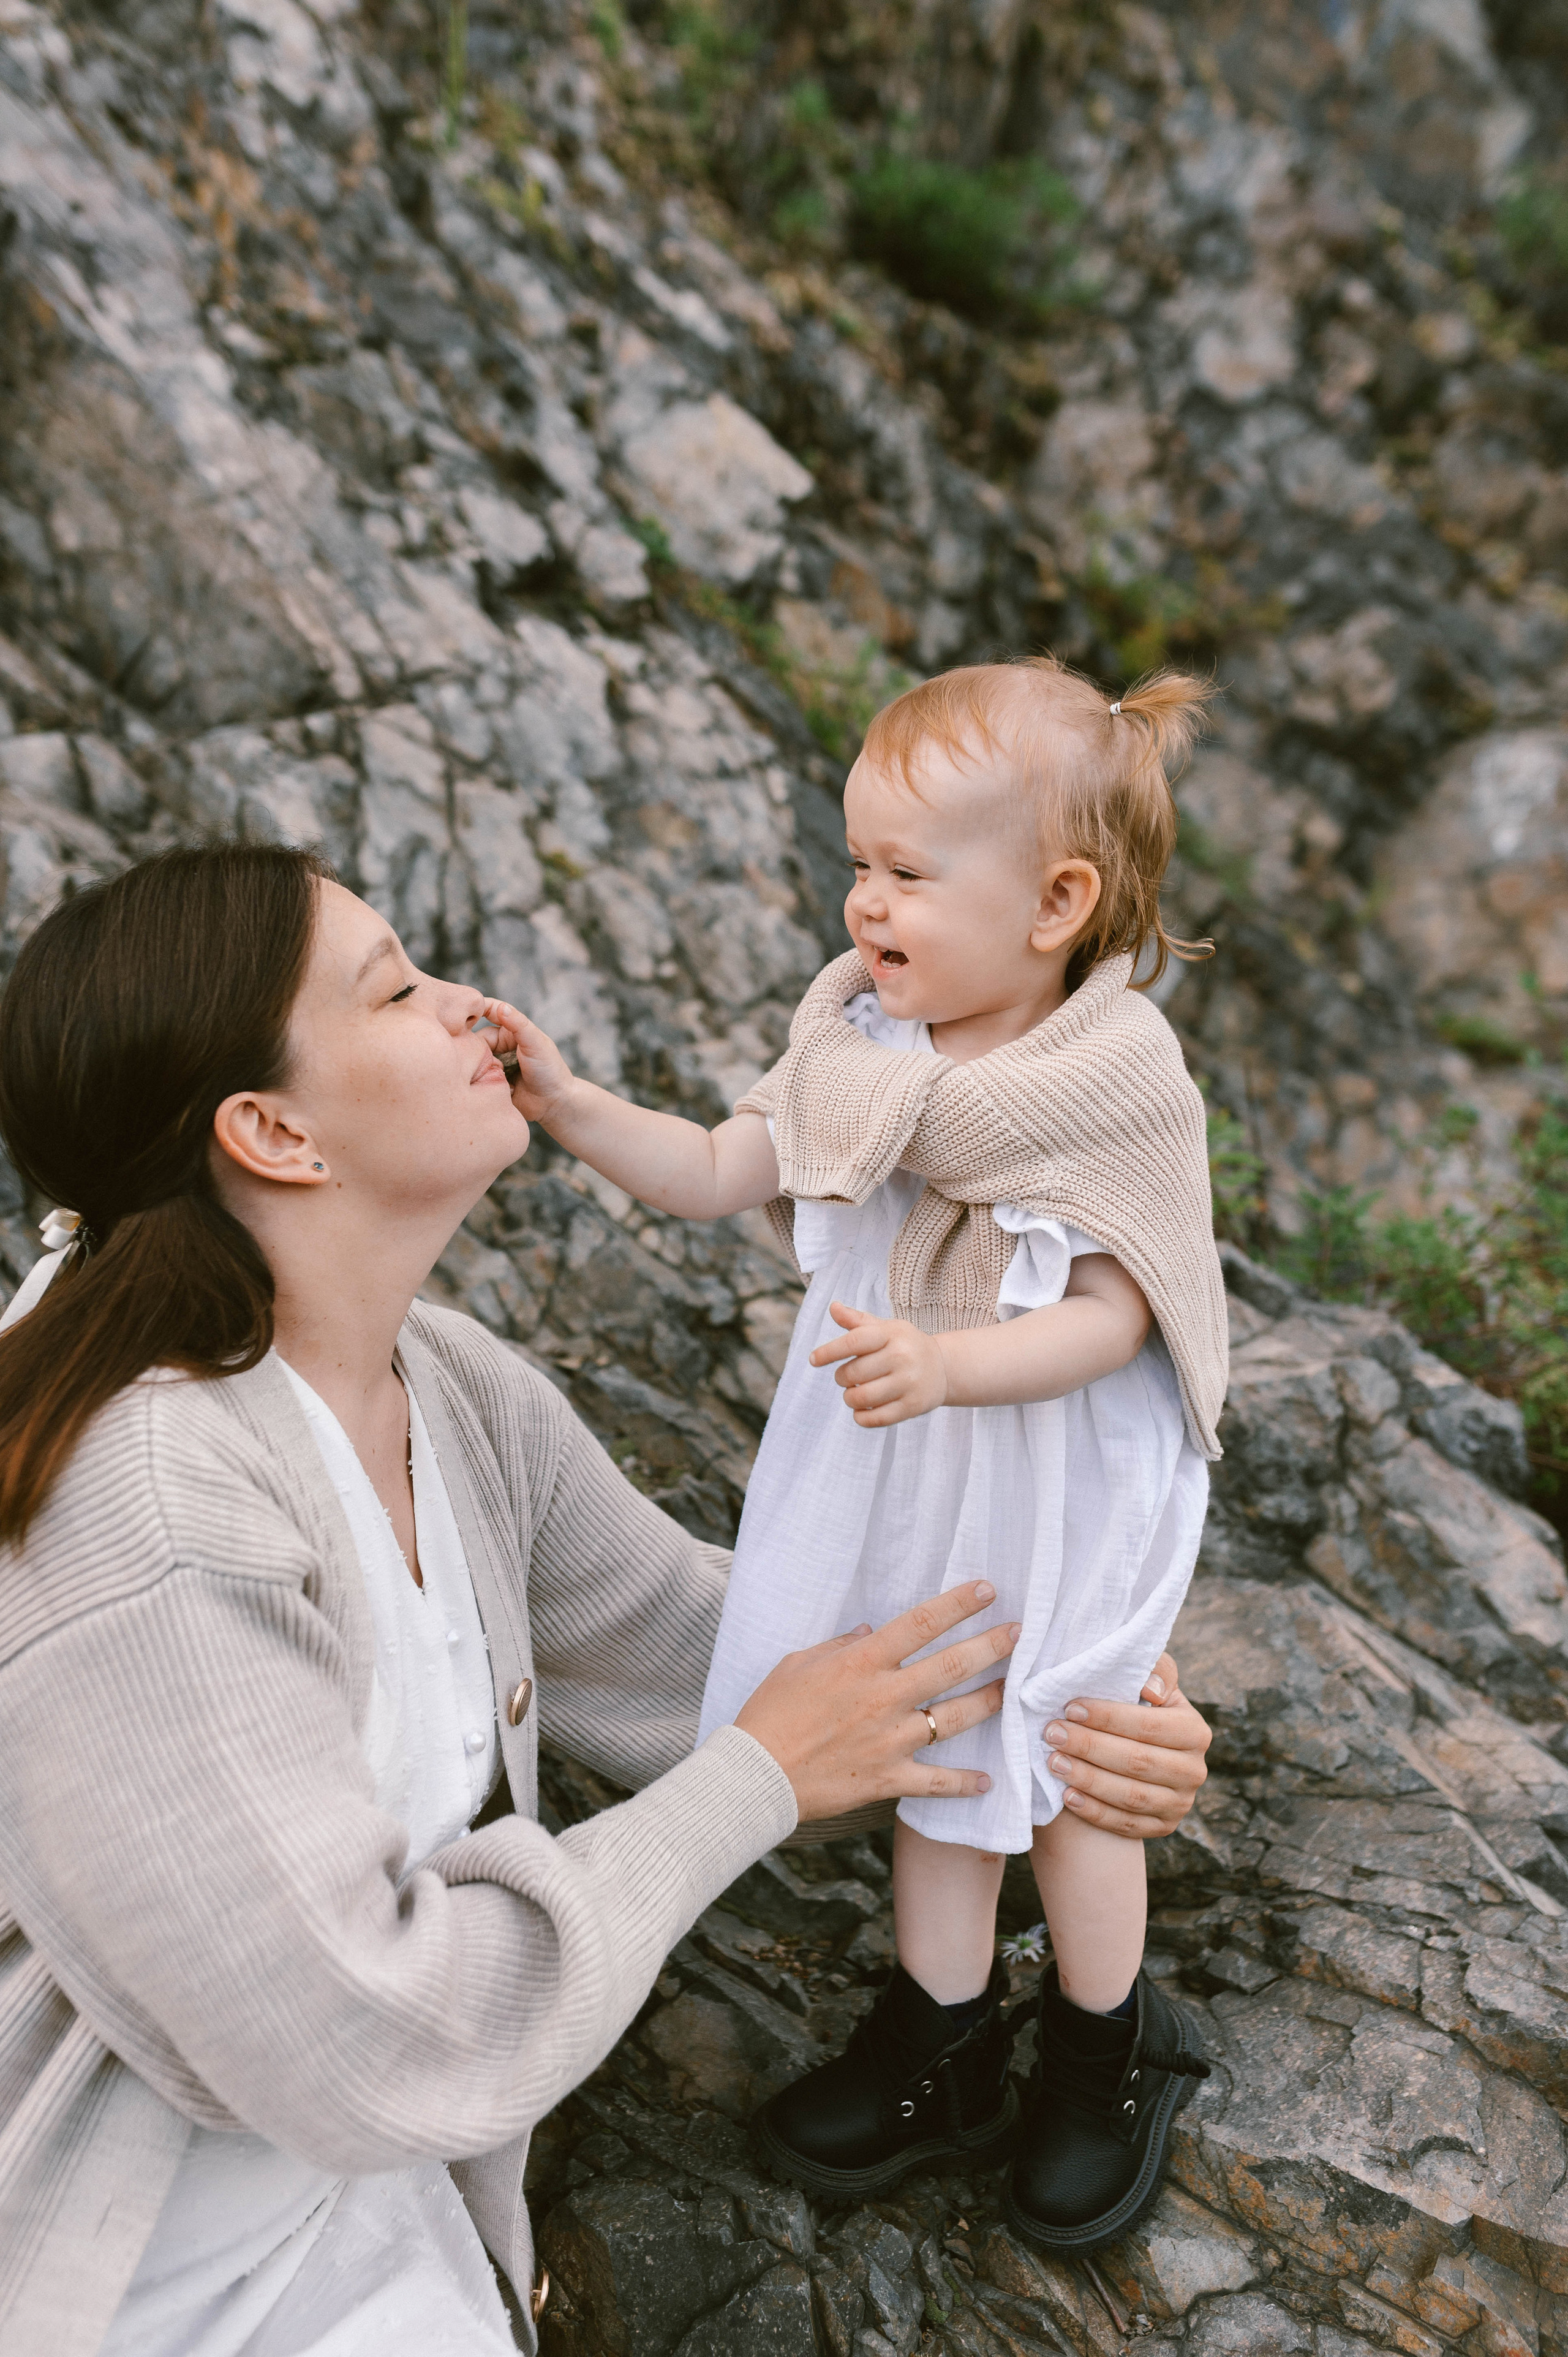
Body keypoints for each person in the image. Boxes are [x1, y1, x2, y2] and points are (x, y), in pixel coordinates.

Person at [0, 842, 1213, 2357]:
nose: (465, 1007)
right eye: (395, 989)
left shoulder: (443, 1391)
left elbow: (735, 1664)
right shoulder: (152, 1503)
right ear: (272, 1130)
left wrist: (1087, 1703)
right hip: (142, 2281)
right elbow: (358, 2038)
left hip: (389, 2227)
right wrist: (754, 1783)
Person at [492, 655, 1223, 2255]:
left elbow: (1119, 1318)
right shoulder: (860, 1042)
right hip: (910, 1469)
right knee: (933, 1740)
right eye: (858, 864)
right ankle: (941, 2038)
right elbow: (708, 1167)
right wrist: (569, 1102)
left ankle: (1106, 2044)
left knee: (1080, 1764)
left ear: (1055, 904)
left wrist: (948, 1362)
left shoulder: (1111, 1080)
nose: (862, 905)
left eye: (906, 872)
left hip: (1050, 1486)